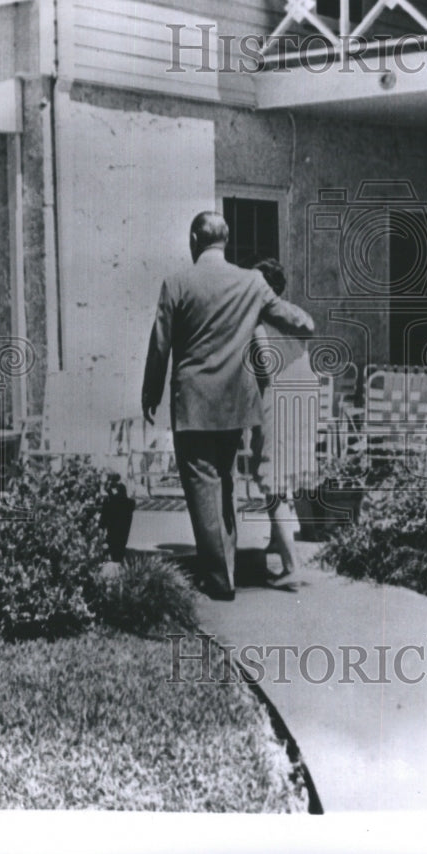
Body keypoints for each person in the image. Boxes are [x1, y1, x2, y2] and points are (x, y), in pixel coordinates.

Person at [141, 212, 314, 600]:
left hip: (195, 403)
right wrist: (307, 323)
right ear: (226, 240)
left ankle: (219, 579)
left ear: (193, 239)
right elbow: (296, 322)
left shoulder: (177, 283)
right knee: (224, 485)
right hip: (236, 403)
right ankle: (227, 567)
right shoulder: (251, 282)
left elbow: (160, 346)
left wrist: (150, 392)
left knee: (202, 487)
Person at [250, 259, 321, 591]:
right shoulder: (293, 315)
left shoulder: (259, 324)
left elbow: (265, 367)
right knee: (285, 477)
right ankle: (279, 543)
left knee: (273, 485)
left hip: (277, 403)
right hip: (303, 401)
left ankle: (291, 567)